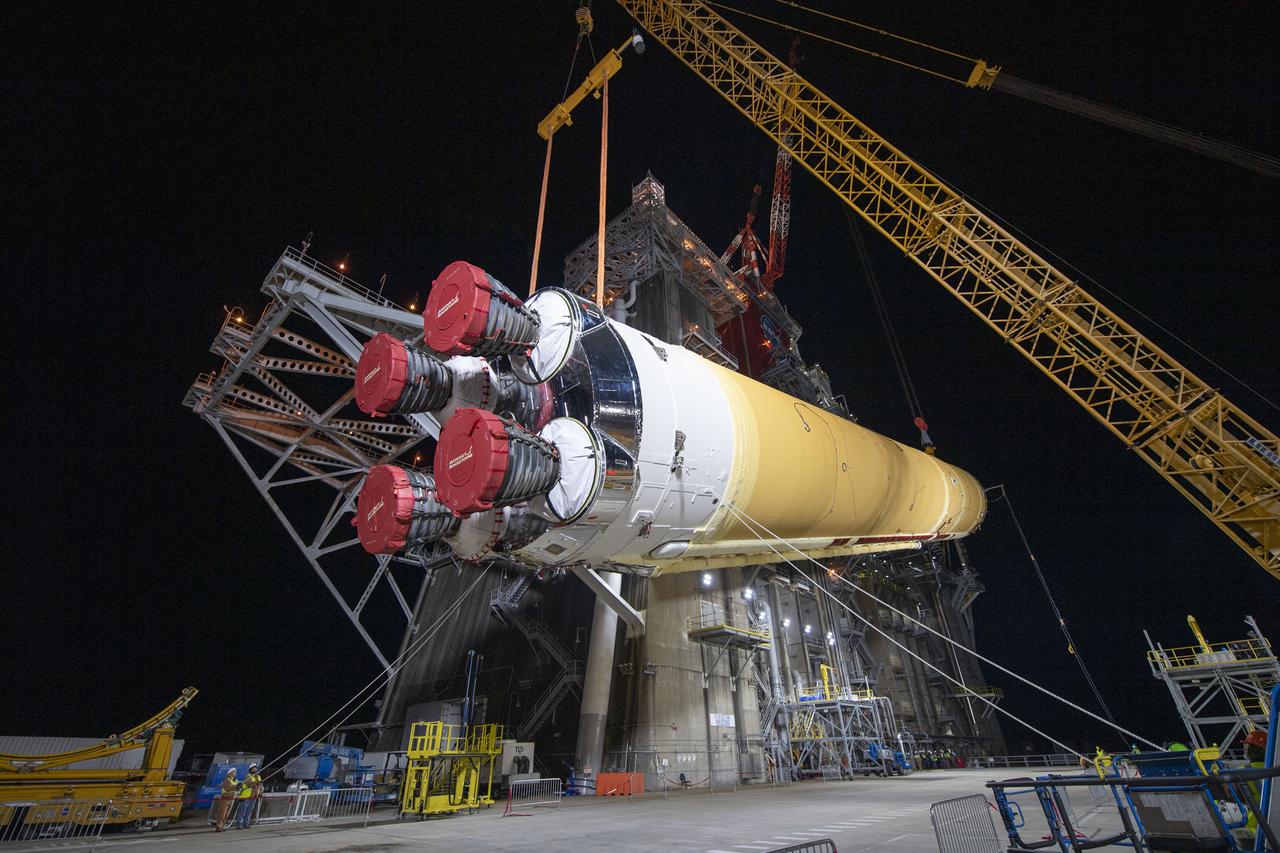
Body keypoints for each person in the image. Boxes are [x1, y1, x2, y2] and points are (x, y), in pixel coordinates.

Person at [235, 763, 263, 829]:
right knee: (242, 811)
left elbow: (260, 786)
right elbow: (249, 784)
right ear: (250, 770)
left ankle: (246, 823)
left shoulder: (258, 777)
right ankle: (239, 824)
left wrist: (260, 793)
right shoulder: (248, 776)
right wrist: (257, 782)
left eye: (255, 768)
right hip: (246, 796)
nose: (255, 769)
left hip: (253, 796)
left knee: (249, 811)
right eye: (253, 768)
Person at [212, 767, 238, 832]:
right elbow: (228, 788)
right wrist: (236, 786)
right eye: (234, 772)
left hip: (232, 799)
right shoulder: (227, 780)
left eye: (235, 772)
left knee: (226, 814)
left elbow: (236, 788)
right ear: (230, 773)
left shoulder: (235, 780)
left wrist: (238, 787)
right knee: (222, 814)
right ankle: (218, 827)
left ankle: (222, 826)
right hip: (225, 799)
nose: (235, 773)